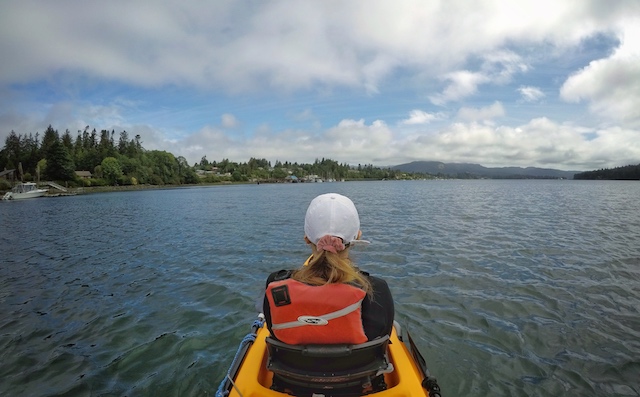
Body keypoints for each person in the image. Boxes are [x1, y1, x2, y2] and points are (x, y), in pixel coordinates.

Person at [263, 193, 394, 345]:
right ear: (357, 236)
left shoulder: (276, 285)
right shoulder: (376, 290)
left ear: (306, 238)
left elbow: (274, 332)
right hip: (357, 368)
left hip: (290, 366)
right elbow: (382, 339)